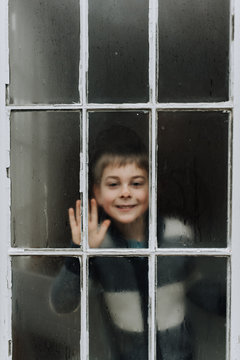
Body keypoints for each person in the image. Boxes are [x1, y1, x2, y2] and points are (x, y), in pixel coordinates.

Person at [50, 126, 193, 360]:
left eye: (136, 183)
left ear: (151, 188)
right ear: (97, 192)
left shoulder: (178, 233)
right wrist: (81, 251)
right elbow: (61, 303)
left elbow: (196, 287)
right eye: (113, 184)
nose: (125, 193)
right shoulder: (99, 243)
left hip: (180, 355)